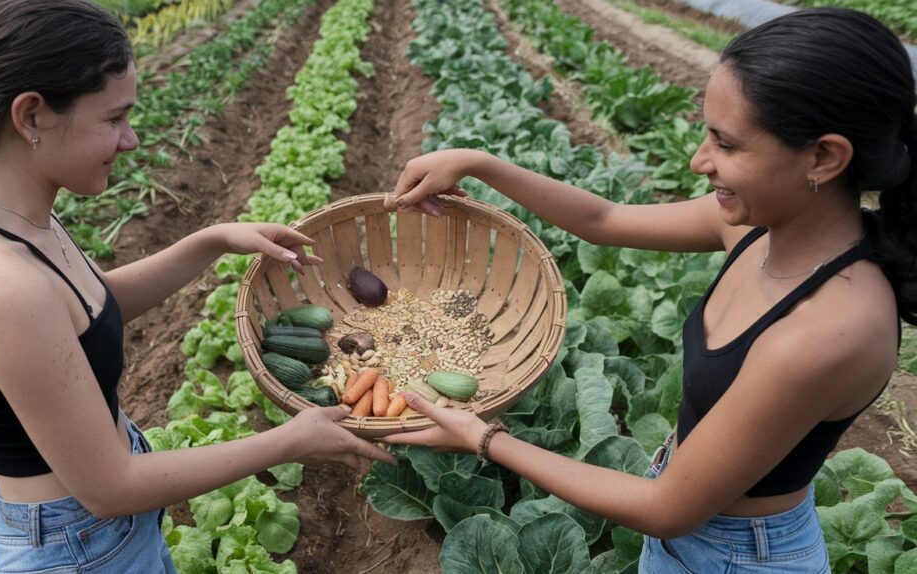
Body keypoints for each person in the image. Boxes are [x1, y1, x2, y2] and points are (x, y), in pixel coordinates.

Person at [382, 7, 915, 573]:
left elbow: (666, 509)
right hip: (696, 525)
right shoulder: (755, 227)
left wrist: (485, 440)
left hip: (734, 557)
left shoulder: (830, 331)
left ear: (824, 157)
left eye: (726, 144)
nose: (698, 160)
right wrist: (482, 164)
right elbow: (606, 220)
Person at [0, 1, 393, 572]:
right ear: (30, 116)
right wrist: (289, 442)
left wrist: (211, 241)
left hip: (94, 534)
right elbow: (109, 486)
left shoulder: (17, 222)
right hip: (78, 550)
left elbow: (87, 313)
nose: (130, 139)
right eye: (113, 119)